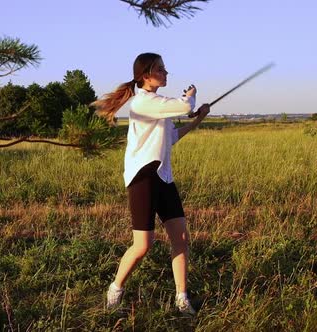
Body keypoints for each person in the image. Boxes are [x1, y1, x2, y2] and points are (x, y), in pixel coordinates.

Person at [91, 52, 211, 315]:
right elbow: (183, 106)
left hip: (163, 177)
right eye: (160, 69)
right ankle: (115, 290)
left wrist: (198, 119)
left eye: (165, 68)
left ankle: (182, 299)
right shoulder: (144, 102)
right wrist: (191, 94)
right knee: (143, 245)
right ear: (146, 76)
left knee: (180, 239)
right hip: (143, 178)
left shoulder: (158, 106)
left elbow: (172, 137)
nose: (166, 72)